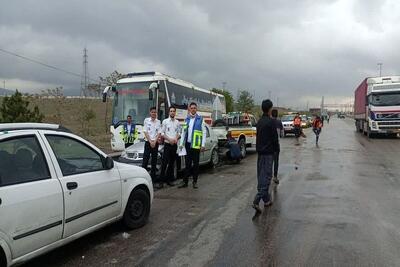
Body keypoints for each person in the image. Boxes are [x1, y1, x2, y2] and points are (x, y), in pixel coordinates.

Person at [252, 99, 279, 213]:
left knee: (261, 176)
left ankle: (267, 200)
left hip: (260, 153)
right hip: (268, 154)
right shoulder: (271, 122)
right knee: (267, 178)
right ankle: (256, 201)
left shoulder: (260, 122)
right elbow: (274, 139)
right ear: (269, 109)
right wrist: (277, 150)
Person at [178, 102, 206, 189]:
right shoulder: (187, 119)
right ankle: (185, 182)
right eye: (192, 108)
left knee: (196, 164)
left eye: (194, 108)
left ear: (196, 109)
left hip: (196, 145)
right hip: (187, 145)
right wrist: (181, 143)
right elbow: (183, 132)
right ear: (189, 109)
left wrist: (203, 144)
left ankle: (195, 182)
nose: (193, 109)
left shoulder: (200, 119)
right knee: (187, 164)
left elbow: (204, 133)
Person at [157, 106, 181, 188]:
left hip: (174, 145)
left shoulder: (177, 122)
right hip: (167, 144)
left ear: (175, 112)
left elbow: (179, 133)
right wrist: (169, 139)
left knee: (171, 164)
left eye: (174, 111)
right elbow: (162, 133)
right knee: (164, 163)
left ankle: (169, 180)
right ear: (169, 112)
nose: (172, 112)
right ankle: (161, 182)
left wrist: (176, 139)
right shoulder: (165, 121)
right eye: (171, 111)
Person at [142, 107, 161, 182]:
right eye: (152, 112)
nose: (154, 113)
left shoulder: (158, 122)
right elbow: (145, 132)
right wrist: (150, 141)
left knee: (154, 162)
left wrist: (155, 141)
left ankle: (153, 179)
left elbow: (159, 133)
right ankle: (143, 178)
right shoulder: (146, 120)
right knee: (145, 161)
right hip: (148, 143)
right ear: (150, 113)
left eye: (155, 112)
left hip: (155, 143)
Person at [271, 109, 283, 184]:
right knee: (276, 161)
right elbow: (282, 134)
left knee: (269, 161)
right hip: (276, 145)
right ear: (277, 114)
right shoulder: (279, 122)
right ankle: (275, 176)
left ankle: (268, 176)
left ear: (271, 114)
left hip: (269, 145)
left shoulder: (269, 121)